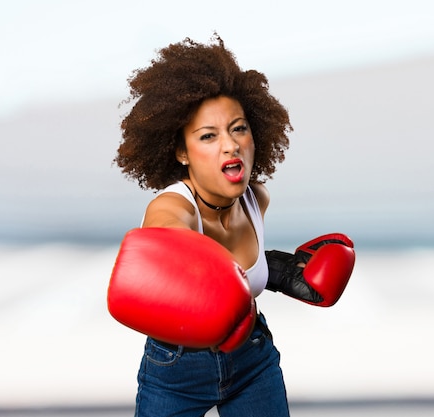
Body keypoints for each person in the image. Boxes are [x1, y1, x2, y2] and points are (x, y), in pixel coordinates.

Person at [109, 35, 355, 417]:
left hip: (253, 361)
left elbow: (236, 272)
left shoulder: (257, 198)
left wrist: (271, 269)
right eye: (208, 136)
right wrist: (194, 273)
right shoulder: (173, 207)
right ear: (181, 152)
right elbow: (165, 238)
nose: (230, 145)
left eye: (238, 128)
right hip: (176, 372)